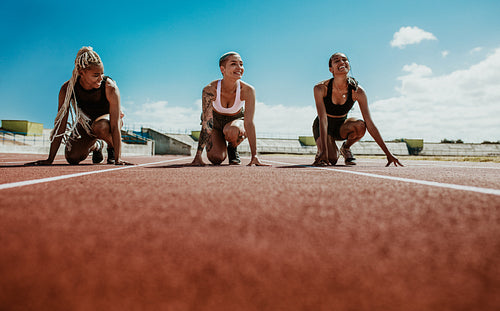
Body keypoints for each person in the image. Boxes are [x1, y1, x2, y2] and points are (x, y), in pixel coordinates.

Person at [27, 46, 132, 166]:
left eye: (102, 74)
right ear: (81, 73)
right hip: (86, 124)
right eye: (95, 75)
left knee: (100, 127)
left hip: (107, 122)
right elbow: (61, 124)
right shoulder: (68, 89)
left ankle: (110, 147)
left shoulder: (110, 88)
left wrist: (118, 159)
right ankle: (97, 146)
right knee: (73, 158)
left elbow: (114, 125)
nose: (100, 79)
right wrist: (50, 159)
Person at [313, 52, 402, 167]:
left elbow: (369, 123)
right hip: (323, 125)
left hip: (341, 126)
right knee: (332, 159)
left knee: (360, 125)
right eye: (336, 60)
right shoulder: (320, 89)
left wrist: (388, 154)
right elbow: (322, 119)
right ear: (331, 69)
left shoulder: (357, 91)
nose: (341, 62)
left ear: (349, 65)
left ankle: (345, 148)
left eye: (344, 59)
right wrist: (324, 151)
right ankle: (321, 151)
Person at [191, 52, 267, 166]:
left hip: (235, 120)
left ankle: (232, 148)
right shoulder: (210, 90)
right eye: (233, 64)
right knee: (216, 158)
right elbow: (207, 122)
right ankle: (219, 144)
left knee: (233, 129)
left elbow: (249, 123)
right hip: (215, 122)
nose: (239, 68)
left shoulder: (247, 90)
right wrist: (198, 155)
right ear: (223, 69)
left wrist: (254, 155)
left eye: (241, 64)